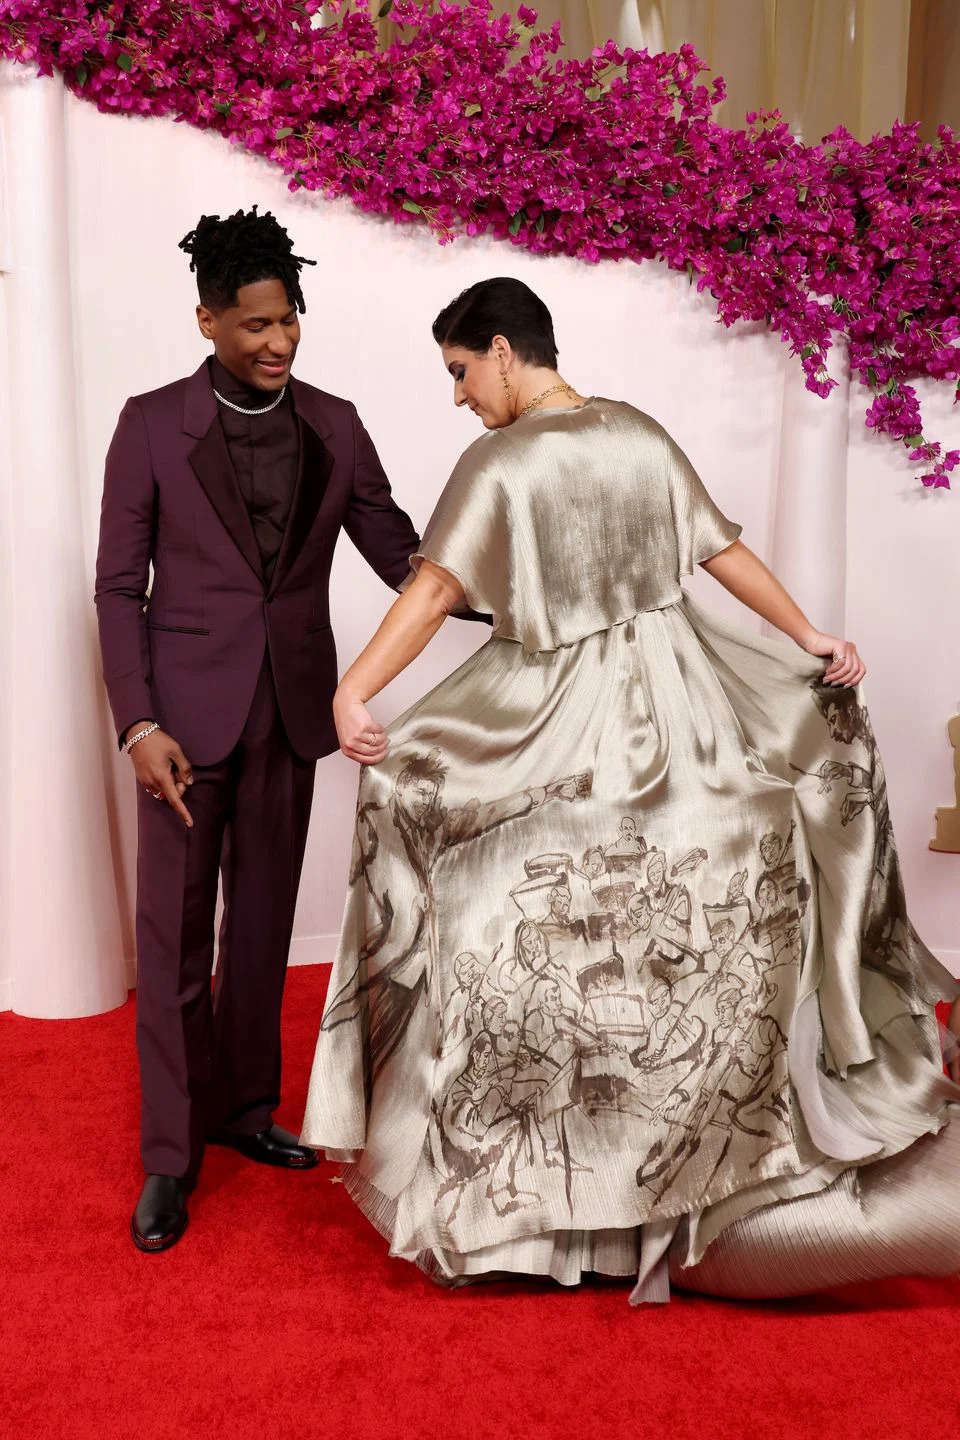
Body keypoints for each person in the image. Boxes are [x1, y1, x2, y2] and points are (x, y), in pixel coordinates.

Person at [301, 276, 960, 1302]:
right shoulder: (641, 436)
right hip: (682, 705)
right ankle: (667, 1190)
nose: (462, 396)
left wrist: (354, 691)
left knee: (452, 850)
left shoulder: (500, 462)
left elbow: (431, 592)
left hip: (557, 707)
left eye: (463, 371)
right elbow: (723, 557)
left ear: (508, 351)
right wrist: (807, 637)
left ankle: (535, 1215)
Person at [95, 207, 481, 1254]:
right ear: (208, 320)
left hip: (289, 714)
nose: (277, 341)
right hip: (179, 723)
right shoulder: (148, 424)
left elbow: (401, 552)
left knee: (260, 932)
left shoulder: (336, 424)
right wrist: (138, 721)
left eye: (290, 321)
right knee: (173, 941)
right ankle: (171, 1156)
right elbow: (116, 587)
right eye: (256, 324)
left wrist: (509, 580)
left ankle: (241, 1111)